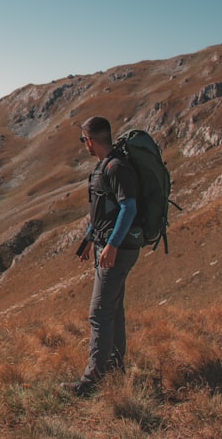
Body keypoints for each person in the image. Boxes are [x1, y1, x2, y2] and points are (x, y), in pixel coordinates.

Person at [63, 116, 141, 397]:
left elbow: (128, 208)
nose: (83, 144)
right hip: (107, 245)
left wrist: (112, 245)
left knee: (98, 313)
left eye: (83, 140)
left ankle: (92, 381)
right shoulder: (105, 167)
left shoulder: (117, 168)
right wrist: (88, 240)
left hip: (115, 251)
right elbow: (102, 210)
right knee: (113, 309)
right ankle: (115, 368)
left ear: (91, 140)